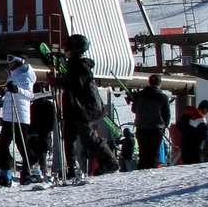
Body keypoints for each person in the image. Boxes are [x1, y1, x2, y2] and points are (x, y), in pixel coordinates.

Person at [56, 35, 116, 178]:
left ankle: (109, 161)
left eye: (67, 48)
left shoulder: (79, 65)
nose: (65, 51)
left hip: (82, 108)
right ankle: (71, 169)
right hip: (73, 107)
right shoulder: (73, 64)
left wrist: (60, 82)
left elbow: (76, 85)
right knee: (69, 138)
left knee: (87, 136)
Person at [0, 54, 35, 181]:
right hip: (9, 116)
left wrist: (16, 89)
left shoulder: (24, 75)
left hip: (20, 116)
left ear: (18, 61)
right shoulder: (11, 76)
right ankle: (5, 174)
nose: (9, 63)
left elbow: (30, 95)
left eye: (11, 60)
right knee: (2, 145)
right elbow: (8, 94)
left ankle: (32, 170)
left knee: (22, 145)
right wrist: (0, 102)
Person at [128, 74, 173, 169]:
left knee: (143, 153)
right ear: (160, 83)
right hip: (156, 129)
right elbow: (167, 115)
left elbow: (134, 109)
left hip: (141, 128)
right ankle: (152, 173)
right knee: (154, 153)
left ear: (149, 82)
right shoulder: (162, 97)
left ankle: (141, 172)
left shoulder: (140, 95)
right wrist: (164, 126)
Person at [179, 99, 208, 165]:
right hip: (195, 147)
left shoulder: (186, 115)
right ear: (204, 109)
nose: (207, 113)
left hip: (184, 144)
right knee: (198, 166)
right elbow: (204, 134)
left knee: (187, 166)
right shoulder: (200, 117)